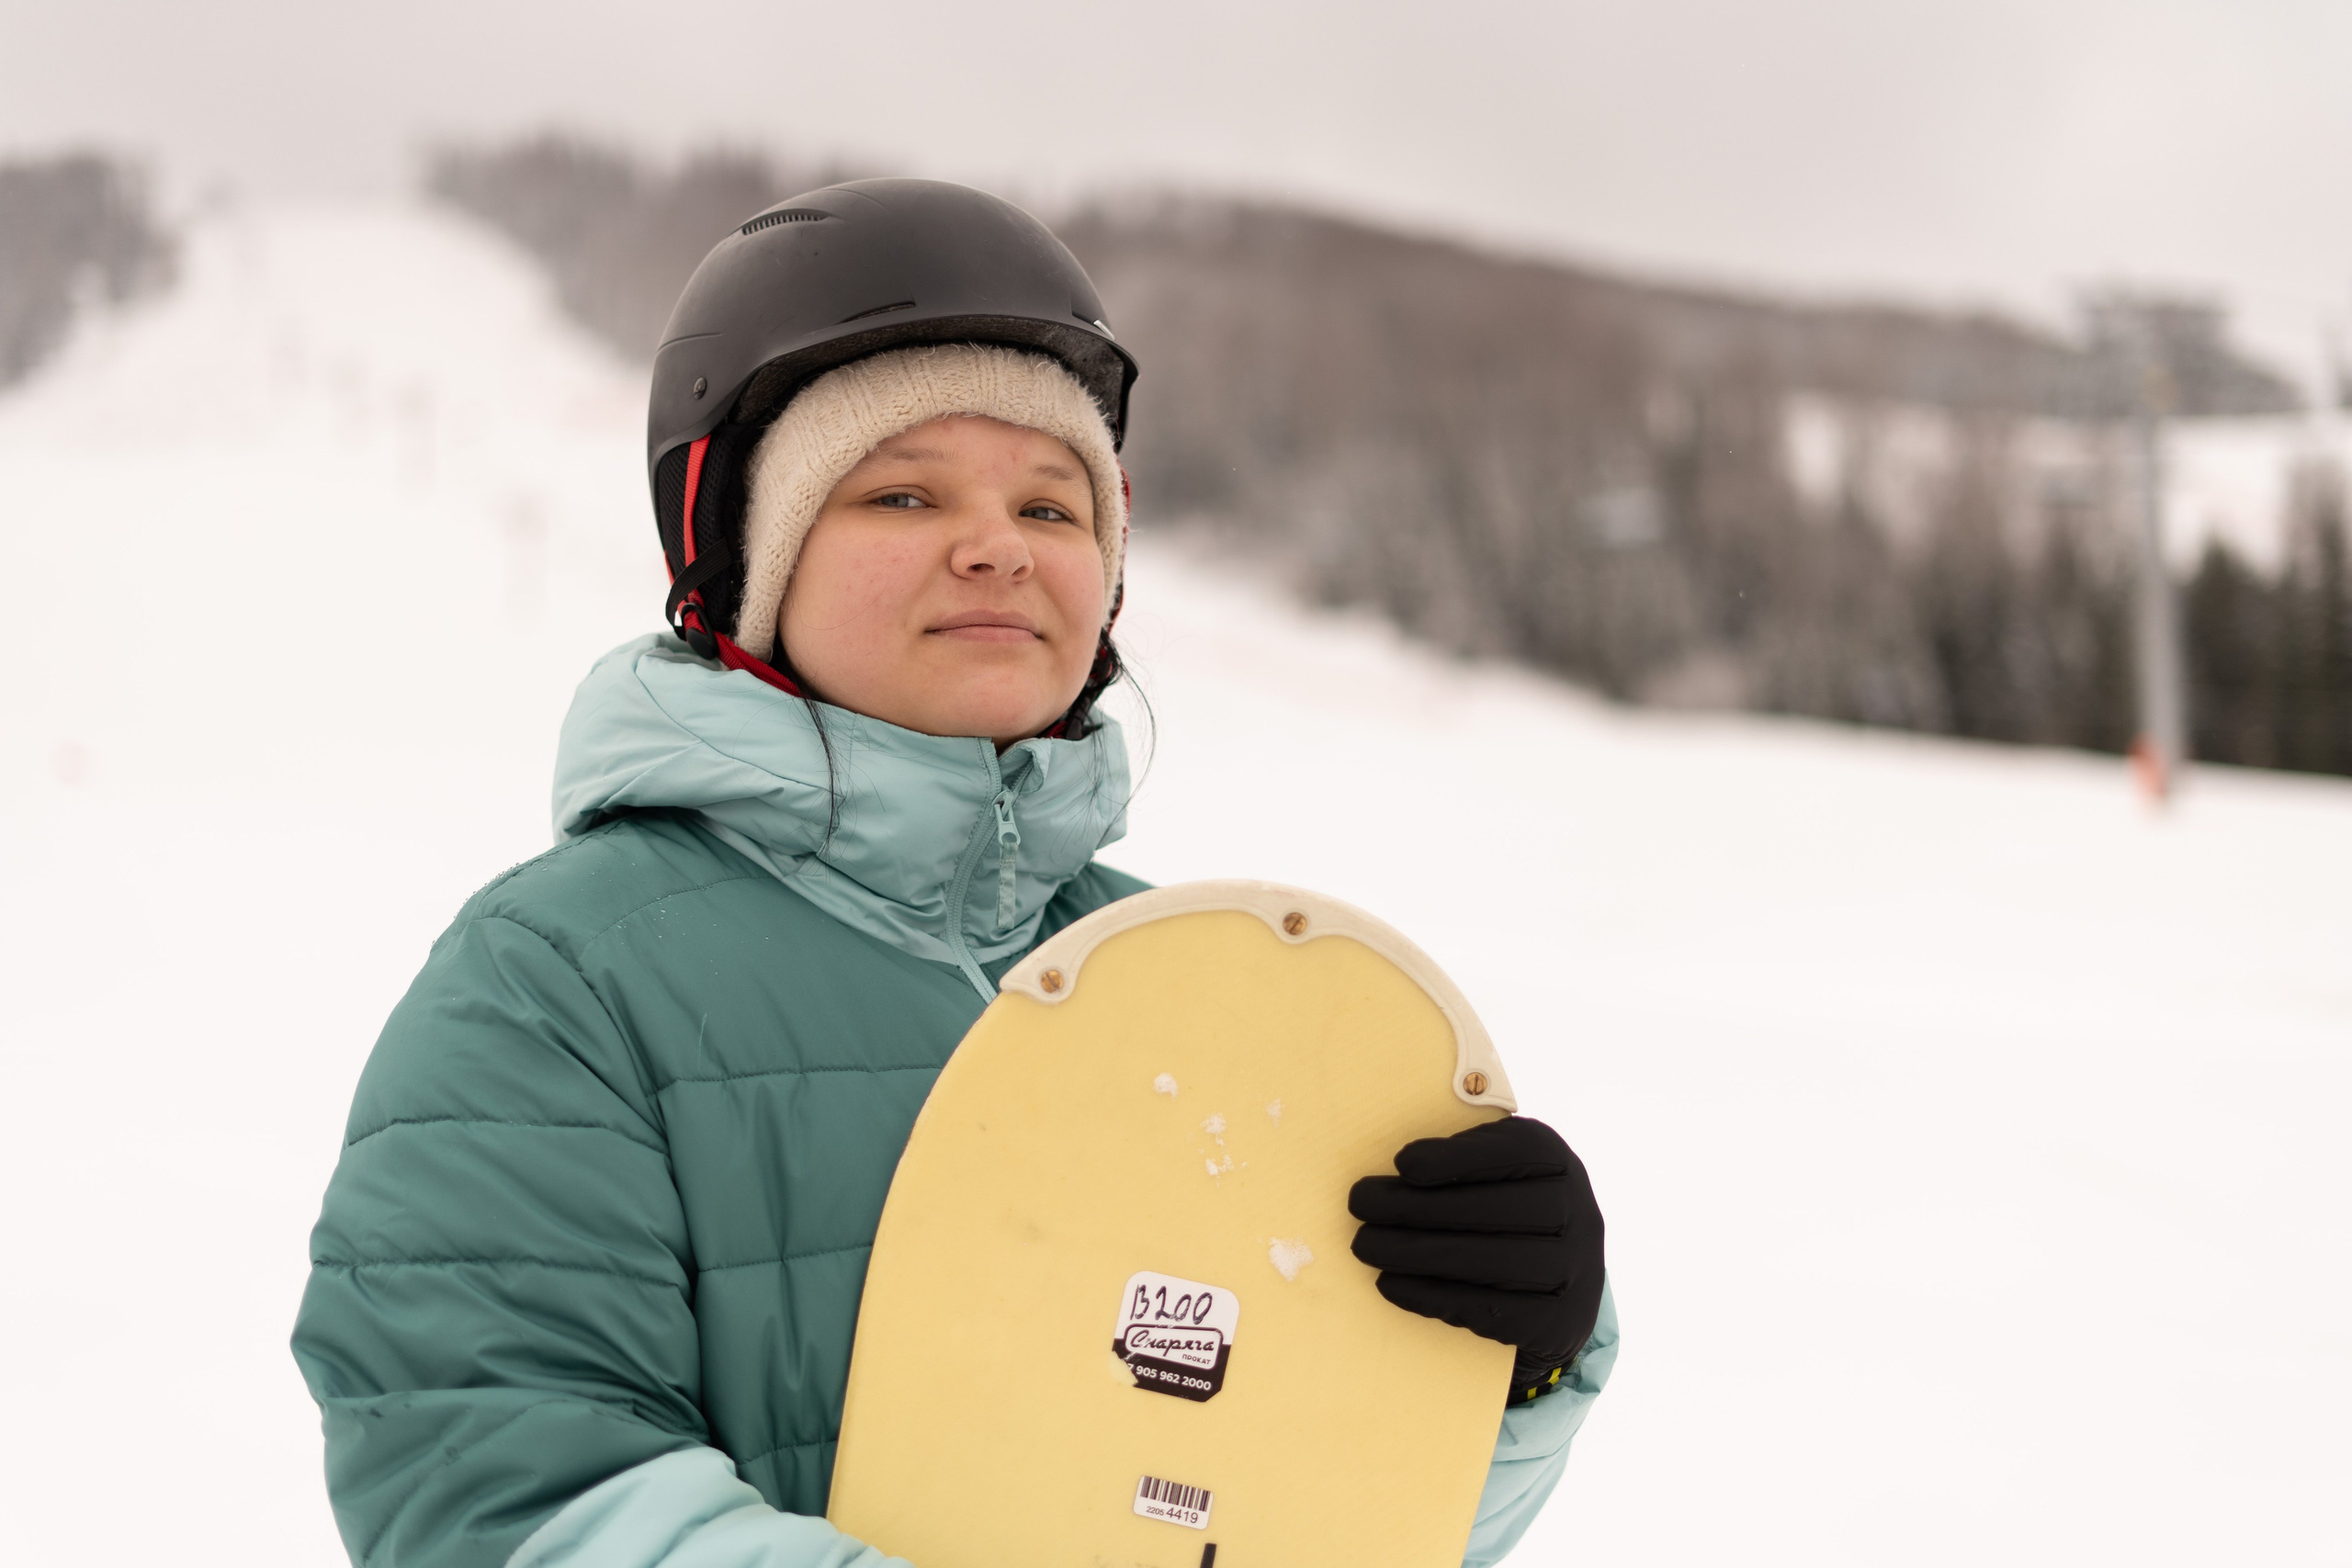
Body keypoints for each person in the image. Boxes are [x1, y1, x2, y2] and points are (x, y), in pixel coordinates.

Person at [291, 178, 1615, 1568]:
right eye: (903, 491)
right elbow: (503, 1497)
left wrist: (1508, 1361)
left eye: (1055, 507)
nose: (996, 546)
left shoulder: (1178, 973)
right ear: (748, 564)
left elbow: (1288, 1513)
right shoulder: (557, 982)